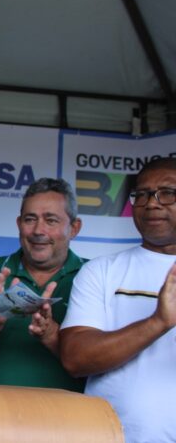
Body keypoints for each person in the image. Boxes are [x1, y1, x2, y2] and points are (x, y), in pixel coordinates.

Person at [61, 157, 176, 442]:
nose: (152, 203)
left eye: (168, 193)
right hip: (112, 436)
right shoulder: (100, 271)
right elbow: (75, 358)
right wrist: (158, 322)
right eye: (142, 194)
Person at [0, 178, 86, 391]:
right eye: (30, 219)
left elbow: (98, 362)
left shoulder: (92, 276)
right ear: (18, 224)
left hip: (68, 418)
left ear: (74, 228)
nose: (38, 230)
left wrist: (50, 334)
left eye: (51, 220)